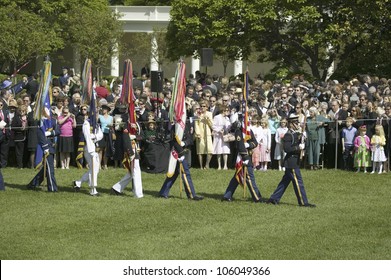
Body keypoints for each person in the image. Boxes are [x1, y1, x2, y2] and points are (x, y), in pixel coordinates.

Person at [267, 114, 316, 207]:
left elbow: (300, 140)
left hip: (293, 162)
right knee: (298, 182)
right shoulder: (288, 135)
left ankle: (273, 199)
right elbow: (287, 148)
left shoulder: (295, 134)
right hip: (291, 162)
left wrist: (303, 139)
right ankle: (303, 202)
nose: (297, 124)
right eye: (296, 123)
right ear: (291, 124)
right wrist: (298, 147)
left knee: (284, 182)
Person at [221, 119, 264, 203]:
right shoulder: (238, 132)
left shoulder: (248, 130)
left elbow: (255, 142)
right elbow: (240, 146)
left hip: (248, 155)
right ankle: (257, 197)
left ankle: (227, 195)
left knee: (237, 178)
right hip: (243, 158)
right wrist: (245, 157)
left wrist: (249, 145)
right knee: (249, 178)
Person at [158, 123, 204, 200]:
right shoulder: (172, 127)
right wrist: (180, 153)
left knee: (174, 173)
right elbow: (170, 140)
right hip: (176, 153)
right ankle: (192, 195)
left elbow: (189, 139)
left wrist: (184, 143)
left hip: (183, 152)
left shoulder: (184, 125)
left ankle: (163, 192)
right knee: (185, 173)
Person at [27, 109, 60, 192]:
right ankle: (52, 188)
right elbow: (39, 135)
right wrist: (45, 147)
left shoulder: (54, 121)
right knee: (50, 169)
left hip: (52, 146)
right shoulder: (40, 122)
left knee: (46, 168)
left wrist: (50, 133)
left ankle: (33, 184)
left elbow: (58, 131)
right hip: (44, 147)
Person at [73, 108, 103, 196]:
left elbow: (100, 134)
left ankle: (78, 183)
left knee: (95, 169)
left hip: (95, 147)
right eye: (96, 113)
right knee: (94, 169)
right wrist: (91, 150)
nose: (97, 115)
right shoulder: (87, 123)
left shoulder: (96, 124)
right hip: (89, 148)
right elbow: (87, 136)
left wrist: (95, 136)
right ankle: (93, 189)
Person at [111, 123, 143, 198]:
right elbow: (125, 139)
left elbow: (143, 136)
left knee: (132, 172)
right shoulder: (126, 125)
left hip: (136, 150)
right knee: (135, 171)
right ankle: (138, 194)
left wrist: (135, 136)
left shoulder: (138, 124)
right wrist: (130, 153)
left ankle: (116, 188)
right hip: (130, 150)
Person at [212, 105, 231, 170]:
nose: (228, 112)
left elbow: (229, 127)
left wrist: (227, 130)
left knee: (225, 150)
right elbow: (213, 126)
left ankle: (225, 165)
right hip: (218, 136)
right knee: (219, 150)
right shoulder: (217, 117)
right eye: (227, 111)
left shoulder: (227, 118)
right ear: (223, 111)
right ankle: (219, 165)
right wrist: (219, 130)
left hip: (225, 136)